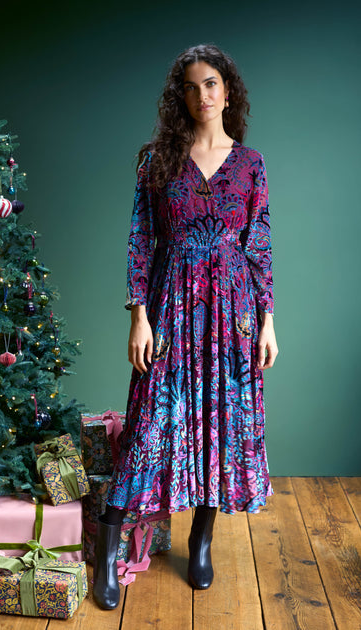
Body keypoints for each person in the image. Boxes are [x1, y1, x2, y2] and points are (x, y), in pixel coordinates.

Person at [93, 43, 279, 610]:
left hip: (234, 314)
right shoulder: (158, 162)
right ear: (182, 96)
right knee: (150, 426)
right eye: (193, 86)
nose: (204, 95)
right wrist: (138, 316)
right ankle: (108, 542)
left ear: (228, 91)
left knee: (218, 428)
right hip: (170, 308)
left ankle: (201, 537)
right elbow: (138, 243)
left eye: (213, 84)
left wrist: (268, 321)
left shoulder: (251, 164)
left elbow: (260, 245)